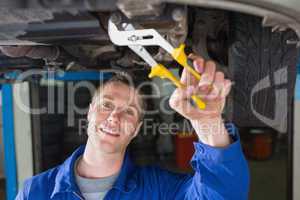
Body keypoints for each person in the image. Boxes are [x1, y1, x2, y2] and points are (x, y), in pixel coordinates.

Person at [16, 54, 250, 200]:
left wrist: (208, 122)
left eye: (129, 111)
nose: (114, 117)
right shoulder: (36, 192)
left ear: (137, 129)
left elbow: (223, 195)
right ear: (89, 111)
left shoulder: (158, 190)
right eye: (107, 104)